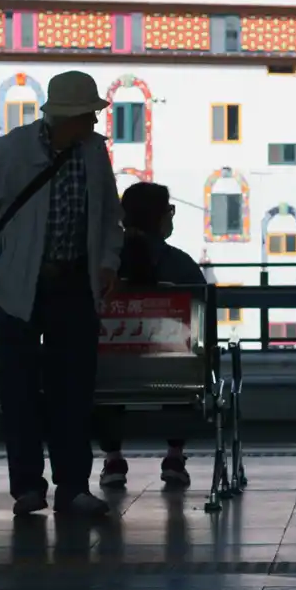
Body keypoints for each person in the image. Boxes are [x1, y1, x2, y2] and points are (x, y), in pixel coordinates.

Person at [0, 70, 123, 519]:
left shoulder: (93, 153)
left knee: (74, 390)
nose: (93, 122)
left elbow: (109, 216)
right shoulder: (13, 150)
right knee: (19, 389)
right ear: (69, 116)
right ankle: (28, 486)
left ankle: (72, 486)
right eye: (88, 115)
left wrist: (107, 261)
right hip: (16, 285)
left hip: (75, 284)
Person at [97, 179, 209, 491]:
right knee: (181, 358)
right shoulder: (182, 267)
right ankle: (174, 456)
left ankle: (113, 459)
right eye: (170, 211)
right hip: (174, 378)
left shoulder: (103, 267)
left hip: (107, 377)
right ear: (160, 218)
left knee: (103, 363)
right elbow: (204, 321)